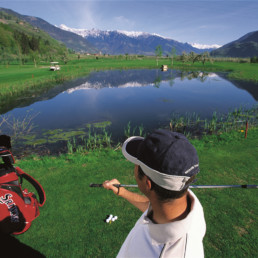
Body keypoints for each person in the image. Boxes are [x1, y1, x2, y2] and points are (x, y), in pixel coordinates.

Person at [103, 129, 206, 258]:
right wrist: (122, 192)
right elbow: (150, 206)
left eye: (137, 164)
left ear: (148, 183)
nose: (134, 168)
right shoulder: (186, 201)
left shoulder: (164, 253)